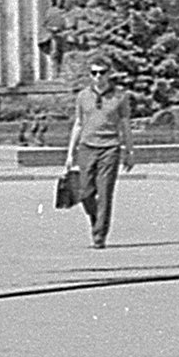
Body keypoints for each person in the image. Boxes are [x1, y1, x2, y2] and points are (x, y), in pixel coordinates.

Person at [64, 62, 133, 249]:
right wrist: (70, 153)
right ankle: (96, 219)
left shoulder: (120, 96)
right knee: (85, 192)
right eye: (94, 73)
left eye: (102, 72)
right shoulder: (83, 96)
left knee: (104, 192)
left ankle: (99, 235)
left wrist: (129, 151)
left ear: (109, 74)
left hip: (110, 148)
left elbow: (125, 124)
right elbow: (78, 123)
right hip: (87, 148)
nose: (98, 76)